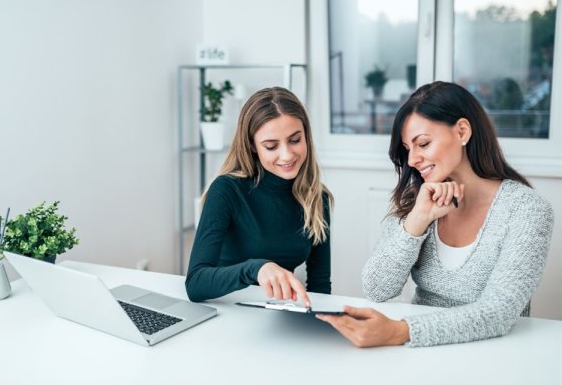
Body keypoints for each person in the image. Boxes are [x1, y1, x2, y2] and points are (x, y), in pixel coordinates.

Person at [317, 81, 554, 347]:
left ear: (462, 131)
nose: (412, 160)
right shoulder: (418, 200)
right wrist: (417, 220)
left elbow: (498, 312)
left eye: (423, 144)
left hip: (491, 355)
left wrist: (400, 331)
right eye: (408, 149)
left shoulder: (526, 209)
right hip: (419, 353)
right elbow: (377, 289)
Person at [185, 87, 333, 306]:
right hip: (224, 309)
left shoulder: (316, 197)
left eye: (295, 140)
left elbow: (320, 285)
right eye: (271, 146)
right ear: (253, 146)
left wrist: (319, 324)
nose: (287, 155)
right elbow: (195, 284)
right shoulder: (227, 190)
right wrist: (256, 268)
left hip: (277, 315)